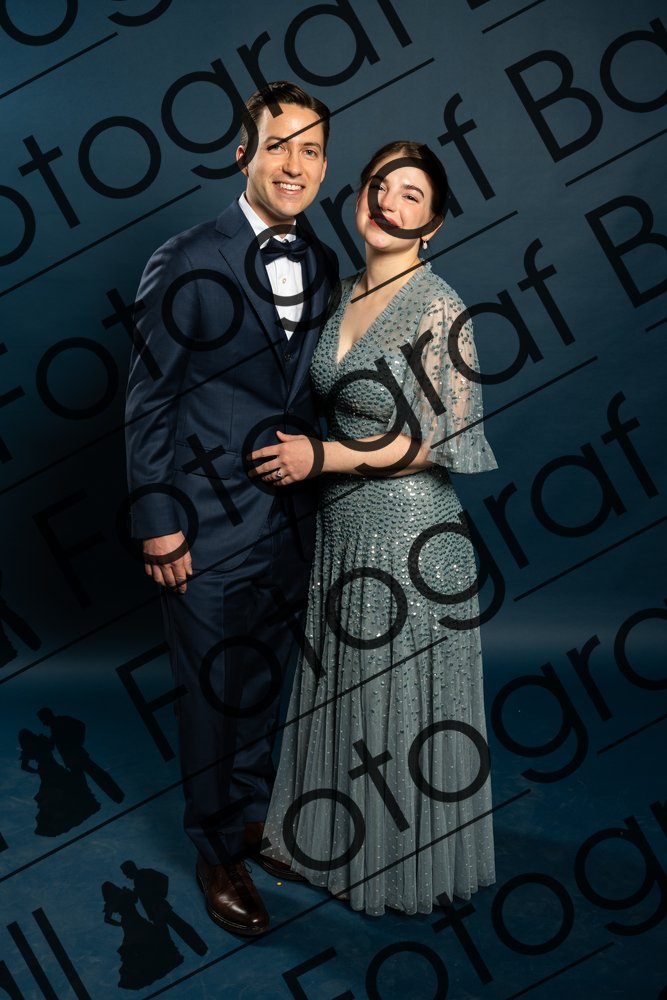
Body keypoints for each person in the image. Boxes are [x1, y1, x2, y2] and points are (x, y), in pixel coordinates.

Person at [253, 140, 497, 915]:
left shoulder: (439, 307)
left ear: (434, 223)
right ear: (359, 198)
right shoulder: (339, 291)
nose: (388, 203)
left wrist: (320, 455)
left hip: (411, 534)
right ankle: (323, 844)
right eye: (379, 187)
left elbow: (435, 442)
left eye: (410, 195)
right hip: (343, 525)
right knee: (341, 689)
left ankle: (392, 868)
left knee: (392, 701)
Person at [124, 81, 338, 936]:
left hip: (291, 522)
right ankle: (215, 851)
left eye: (312, 149)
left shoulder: (322, 261)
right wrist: (157, 523)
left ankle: (251, 819)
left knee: (262, 680)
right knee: (213, 690)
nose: (295, 164)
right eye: (279, 144)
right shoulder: (184, 258)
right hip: (202, 525)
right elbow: (149, 401)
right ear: (243, 153)